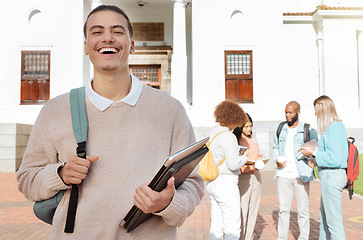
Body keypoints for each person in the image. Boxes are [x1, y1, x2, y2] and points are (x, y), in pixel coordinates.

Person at [16, 5, 204, 239]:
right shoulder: (55, 111)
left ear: (132, 45)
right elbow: (27, 179)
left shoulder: (169, 110)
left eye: (117, 31)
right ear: (86, 47)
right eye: (97, 31)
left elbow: (194, 183)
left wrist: (168, 203)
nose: (107, 38)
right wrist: (61, 173)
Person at [301, 95, 348, 240]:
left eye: (316, 110)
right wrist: (315, 160)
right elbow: (332, 155)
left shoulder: (334, 127)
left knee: (333, 222)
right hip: (330, 175)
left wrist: (313, 152)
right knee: (325, 219)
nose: (315, 114)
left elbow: (336, 158)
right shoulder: (334, 127)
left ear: (322, 109)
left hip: (332, 176)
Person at [273, 101, 318, 240]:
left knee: (303, 210)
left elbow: (316, 149)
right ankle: (282, 237)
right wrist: (277, 160)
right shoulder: (280, 128)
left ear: (298, 112)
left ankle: (303, 237)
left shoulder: (308, 130)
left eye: (290, 112)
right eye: (286, 112)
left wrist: (312, 159)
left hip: (301, 174)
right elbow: (275, 147)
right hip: (283, 175)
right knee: (283, 210)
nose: (288, 115)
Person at [207, 100, 250, 240]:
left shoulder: (213, 133)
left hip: (212, 181)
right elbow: (233, 164)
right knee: (232, 226)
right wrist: (244, 157)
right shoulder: (228, 136)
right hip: (226, 182)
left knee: (216, 225)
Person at [233, 113, 262, 240]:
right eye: (246, 127)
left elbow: (255, 156)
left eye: (251, 126)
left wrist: (260, 159)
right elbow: (237, 166)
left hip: (256, 177)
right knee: (242, 210)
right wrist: (252, 167)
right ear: (240, 127)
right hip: (243, 179)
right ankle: (240, 237)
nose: (249, 129)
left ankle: (248, 237)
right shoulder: (237, 141)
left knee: (253, 211)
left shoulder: (254, 140)